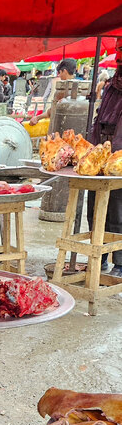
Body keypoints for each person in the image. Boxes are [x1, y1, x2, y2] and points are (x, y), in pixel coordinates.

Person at [88, 37, 122, 277]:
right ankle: (97, 258)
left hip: (119, 158)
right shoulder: (111, 85)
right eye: (118, 48)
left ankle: (120, 262)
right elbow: (99, 118)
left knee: (118, 211)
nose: (118, 55)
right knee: (95, 208)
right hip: (100, 153)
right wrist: (92, 150)